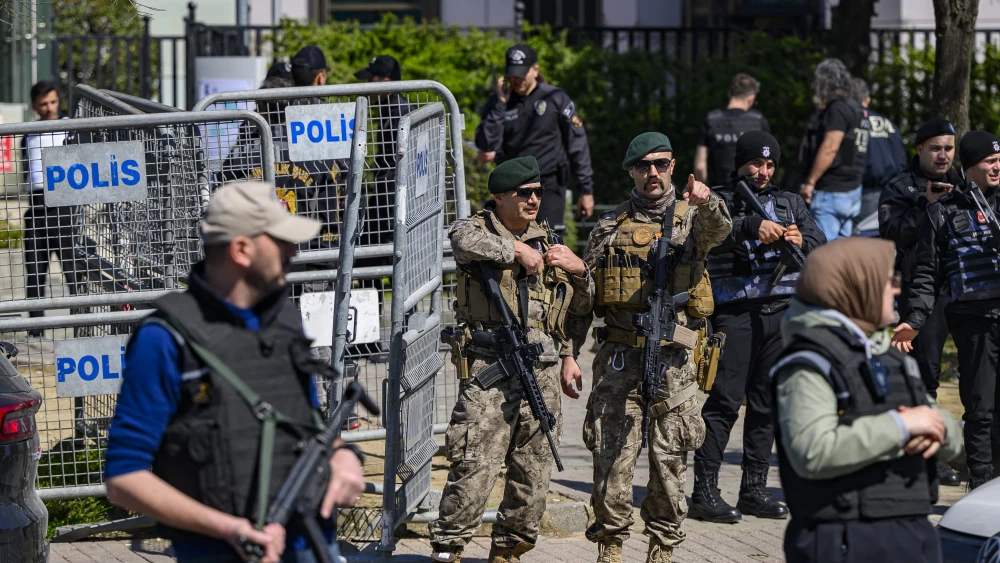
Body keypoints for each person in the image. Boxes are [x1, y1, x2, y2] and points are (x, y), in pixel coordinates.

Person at [103, 181, 366, 563]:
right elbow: (124, 478)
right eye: (280, 242)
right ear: (242, 249)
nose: (293, 251)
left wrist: (343, 456)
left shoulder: (284, 322)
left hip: (311, 545)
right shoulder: (164, 340)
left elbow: (307, 430)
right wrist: (230, 530)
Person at [571, 132, 732, 563]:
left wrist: (707, 200)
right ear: (631, 172)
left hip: (675, 361)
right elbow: (585, 297)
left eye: (660, 164)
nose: (653, 173)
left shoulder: (690, 219)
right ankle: (611, 544)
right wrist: (569, 353)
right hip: (620, 357)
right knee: (612, 454)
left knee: (670, 458)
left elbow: (720, 229)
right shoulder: (609, 225)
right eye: (643, 166)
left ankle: (662, 546)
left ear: (673, 166)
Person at [429, 156, 594, 563]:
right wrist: (515, 250)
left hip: (541, 371)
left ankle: (509, 550)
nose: (534, 199)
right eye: (524, 193)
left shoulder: (549, 239)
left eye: (538, 192)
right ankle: (448, 548)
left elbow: (574, 307)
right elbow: (461, 242)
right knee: (473, 468)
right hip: (489, 369)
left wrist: (581, 270)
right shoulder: (477, 228)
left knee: (534, 472)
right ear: (500, 196)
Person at [771, 237, 962, 563]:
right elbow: (813, 451)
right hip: (843, 540)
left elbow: (951, 438)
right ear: (856, 286)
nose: (897, 290)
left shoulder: (892, 355)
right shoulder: (808, 361)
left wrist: (937, 426)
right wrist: (901, 426)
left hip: (913, 531)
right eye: (890, 280)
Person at [691, 131, 825, 524]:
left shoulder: (790, 202)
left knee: (767, 403)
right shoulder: (719, 200)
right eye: (756, 163)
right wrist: (751, 226)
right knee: (725, 402)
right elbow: (707, 237)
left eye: (769, 165)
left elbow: (820, 240)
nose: (763, 171)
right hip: (735, 312)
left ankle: (753, 489)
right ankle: (704, 491)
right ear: (739, 164)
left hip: (781, 311)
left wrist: (803, 237)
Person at [893, 131, 1000, 490]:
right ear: (969, 168)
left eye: (999, 159)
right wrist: (914, 320)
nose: (997, 165)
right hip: (974, 322)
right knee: (980, 409)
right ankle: (982, 485)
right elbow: (926, 274)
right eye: (989, 160)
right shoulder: (942, 213)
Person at [877, 117, 964, 487]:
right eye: (935, 148)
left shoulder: (964, 181)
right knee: (926, 371)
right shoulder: (899, 186)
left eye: (948, 148)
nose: (942, 155)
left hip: (964, 287)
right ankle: (930, 454)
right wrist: (924, 206)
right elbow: (890, 232)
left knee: (973, 375)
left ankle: (974, 455)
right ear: (920, 150)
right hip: (921, 289)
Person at [474, 44, 595, 228]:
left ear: (535, 70)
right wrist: (500, 103)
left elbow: (577, 144)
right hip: (511, 189)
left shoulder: (555, 97)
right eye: (513, 73)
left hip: (548, 185)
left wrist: (586, 190)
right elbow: (486, 144)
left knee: (550, 242)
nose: (517, 79)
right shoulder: (500, 101)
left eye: (522, 73)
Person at [21, 80, 76, 337]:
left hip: (64, 207)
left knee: (74, 271)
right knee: (34, 272)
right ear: (34, 106)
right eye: (43, 104)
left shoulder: (69, 129)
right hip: (37, 208)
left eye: (53, 102)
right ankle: (35, 332)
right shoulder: (28, 134)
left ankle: (82, 324)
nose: (49, 108)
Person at [799, 59, 868, 242]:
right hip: (852, 189)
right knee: (840, 253)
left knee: (822, 250)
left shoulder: (837, 109)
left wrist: (810, 182)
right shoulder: (857, 108)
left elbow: (830, 148)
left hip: (831, 190)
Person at [694, 73, 770, 187]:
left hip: (719, 193)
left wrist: (706, 192)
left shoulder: (711, 120)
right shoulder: (759, 121)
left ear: (730, 93)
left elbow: (700, 167)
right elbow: (766, 164)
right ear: (751, 98)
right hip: (751, 195)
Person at [854, 78, 906, 220]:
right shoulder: (888, 123)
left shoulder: (850, 122)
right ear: (868, 99)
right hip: (895, 195)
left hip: (863, 194)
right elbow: (901, 159)